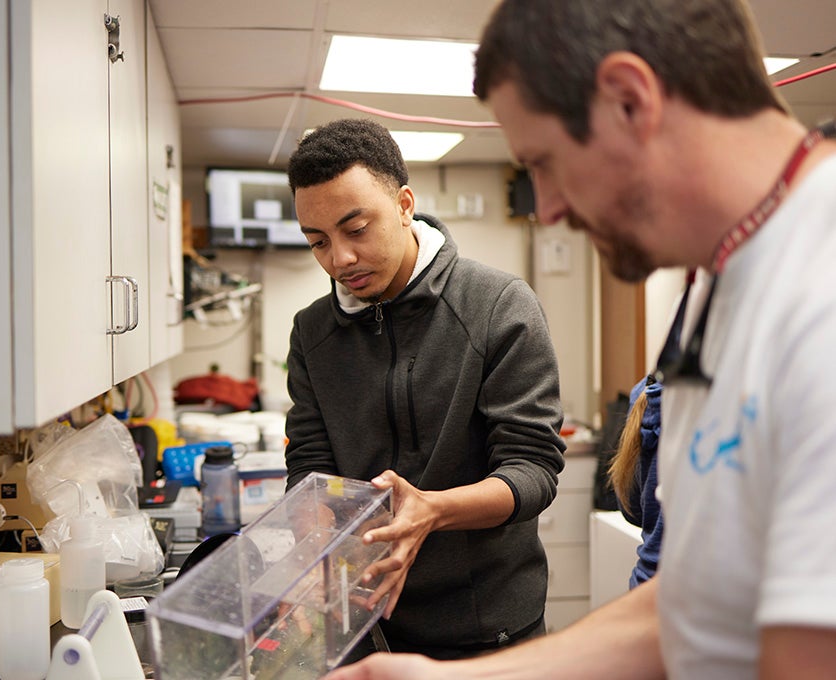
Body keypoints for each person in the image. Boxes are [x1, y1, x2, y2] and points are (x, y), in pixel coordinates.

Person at [326, 0, 836, 677]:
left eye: (543, 163)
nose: (552, 207)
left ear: (630, 100)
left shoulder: (819, 290)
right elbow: (695, 601)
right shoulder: (719, 284)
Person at [284, 118, 567, 660]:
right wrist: (312, 544)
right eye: (317, 242)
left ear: (405, 204)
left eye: (356, 228)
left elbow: (532, 471)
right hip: (366, 627)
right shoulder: (312, 332)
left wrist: (432, 509)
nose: (339, 259)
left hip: (487, 631)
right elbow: (312, 468)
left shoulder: (497, 306)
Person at [608, 374, 663, 588]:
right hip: (690, 602)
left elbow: (634, 509)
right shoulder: (733, 400)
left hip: (644, 584)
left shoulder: (645, 389)